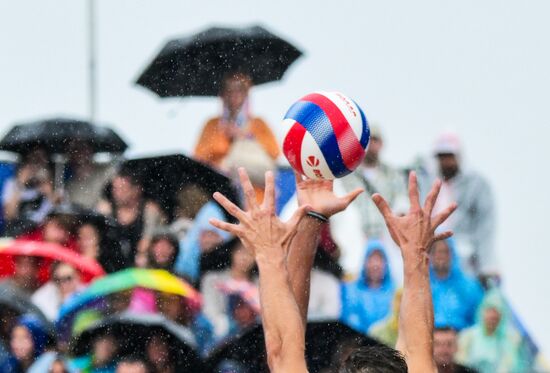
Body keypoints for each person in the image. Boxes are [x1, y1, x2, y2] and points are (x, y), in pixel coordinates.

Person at [331, 125, 408, 277]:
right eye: (368, 140)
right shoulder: (347, 173)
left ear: (381, 144)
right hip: (356, 238)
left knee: (388, 281)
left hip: (385, 239)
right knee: (355, 279)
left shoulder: (392, 174)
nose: (371, 145)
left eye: (375, 140)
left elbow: (402, 202)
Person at [194, 72, 279, 201]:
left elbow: (274, 153)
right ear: (222, 94)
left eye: (239, 89)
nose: (234, 95)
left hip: (255, 197)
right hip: (220, 193)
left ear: (246, 93)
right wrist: (224, 136)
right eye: (228, 90)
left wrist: (244, 136)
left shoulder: (258, 124)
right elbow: (198, 157)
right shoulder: (212, 125)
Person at [422, 132, 497, 278]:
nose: (446, 161)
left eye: (449, 155)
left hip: (465, 261)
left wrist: (487, 266)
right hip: (432, 260)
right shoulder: (427, 183)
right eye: (442, 156)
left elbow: (486, 229)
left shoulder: (477, 186)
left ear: (458, 156)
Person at [97, 169, 165, 268]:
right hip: (111, 263)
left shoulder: (149, 210)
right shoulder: (105, 209)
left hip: (141, 265)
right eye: (114, 189)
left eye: (121, 188)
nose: (116, 193)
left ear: (136, 190)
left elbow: (147, 242)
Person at [456, 289, 528, 373]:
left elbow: (510, 365)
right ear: (481, 312)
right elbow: (461, 363)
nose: (492, 316)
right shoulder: (467, 336)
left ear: (502, 316)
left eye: (496, 313)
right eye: (489, 311)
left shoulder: (511, 339)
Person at [201, 239, 257, 339]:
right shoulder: (213, 279)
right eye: (241, 251)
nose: (244, 257)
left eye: (250, 253)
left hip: (253, 335)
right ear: (232, 252)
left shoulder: (260, 284)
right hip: (220, 334)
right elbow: (209, 310)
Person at [341, 240, 396, 333]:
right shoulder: (352, 291)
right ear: (364, 263)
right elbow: (350, 321)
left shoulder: (395, 292)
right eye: (371, 259)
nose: (375, 264)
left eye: (379, 259)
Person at [430, 238, 484, 331]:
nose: (440, 256)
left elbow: (479, 319)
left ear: (453, 254)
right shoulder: (421, 286)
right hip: (427, 339)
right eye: (435, 251)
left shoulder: (469, 287)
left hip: (460, 338)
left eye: (445, 252)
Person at [174, 200, 230, 283]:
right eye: (204, 234)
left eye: (212, 234)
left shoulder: (228, 257)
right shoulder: (184, 256)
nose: (207, 240)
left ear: (221, 237)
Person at [64, 140, 118, 209]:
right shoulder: (66, 181)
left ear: (90, 149)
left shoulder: (108, 172)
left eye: (82, 147)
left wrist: (110, 205)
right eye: (73, 149)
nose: (77, 152)